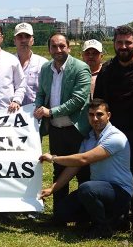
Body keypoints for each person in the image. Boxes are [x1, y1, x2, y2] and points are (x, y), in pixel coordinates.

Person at [93, 25, 133, 239]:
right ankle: (119, 216)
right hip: (113, 134)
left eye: (128, 42)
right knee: (114, 176)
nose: (123, 46)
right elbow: (99, 102)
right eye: (120, 42)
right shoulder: (108, 69)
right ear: (114, 43)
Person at [38, 99, 133, 239]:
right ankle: (111, 220)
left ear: (109, 115)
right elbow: (75, 166)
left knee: (86, 188)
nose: (95, 118)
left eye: (99, 114)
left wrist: (54, 158)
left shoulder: (115, 137)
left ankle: (102, 228)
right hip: (99, 191)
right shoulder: (88, 139)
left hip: (119, 193)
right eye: (91, 114)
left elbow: (84, 159)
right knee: (62, 212)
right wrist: (52, 189)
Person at [33, 34, 92, 203]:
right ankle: (59, 216)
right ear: (49, 49)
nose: (58, 50)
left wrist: (51, 112)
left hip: (77, 129)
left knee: (83, 172)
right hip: (55, 129)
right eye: (54, 46)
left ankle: (84, 218)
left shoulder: (81, 68)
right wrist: (38, 106)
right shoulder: (45, 68)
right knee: (58, 169)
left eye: (61, 46)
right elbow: (41, 93)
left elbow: (78, 100)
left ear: (69, 47)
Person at [13, 22, 49, 105]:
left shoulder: (43, 63)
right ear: (14, 41)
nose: (23, 40)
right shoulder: (7, 63)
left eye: (27, 36)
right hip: (12, 113)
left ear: (32, 40)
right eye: (20, 37)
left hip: (35, 113)